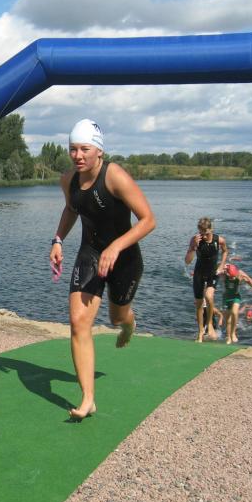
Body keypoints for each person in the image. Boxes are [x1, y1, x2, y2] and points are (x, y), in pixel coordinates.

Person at [49, 119, 156, 420]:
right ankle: (88, 399)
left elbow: (148, 220)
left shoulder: (115, 176)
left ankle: (129, 324)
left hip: (125, 257)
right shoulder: (68, 180)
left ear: (99, 151)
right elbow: (71, 209)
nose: (78, 155)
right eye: (73, 149)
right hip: (91, 253)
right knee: (78, 321)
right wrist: (58, 240)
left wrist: (116, 247)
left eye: (84, 149)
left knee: (116, 317)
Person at [184, 217, 228, 342]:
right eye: (201, 233)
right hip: (199, 274)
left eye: (206, 233)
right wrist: (193, 247)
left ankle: (209, 324)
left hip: (212, 274)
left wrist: (221, 265)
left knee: (209, 296)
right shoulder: (195, 240)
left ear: (211, 229)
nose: (203, 236)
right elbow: (187, 261)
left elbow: (225, 251)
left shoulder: (219, 240)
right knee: (199, 304)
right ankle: (200, 331)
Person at [221, 263, 252, 343]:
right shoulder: (223, 273)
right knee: (227, 320)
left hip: (236, 297)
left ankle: (233, 333)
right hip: (226, 298)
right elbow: (214, 271)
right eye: (230, 277)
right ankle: (228, 337)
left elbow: (249, 280)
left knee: (235, 313)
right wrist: (221, 267)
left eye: (233, 277)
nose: (232, 278)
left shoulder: (240, 274)